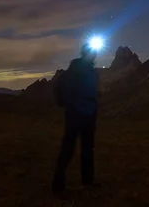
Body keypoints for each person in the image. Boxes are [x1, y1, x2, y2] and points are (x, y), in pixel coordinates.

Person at [52, 43, 100, 194]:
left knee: (87, 149)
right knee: (69, 149)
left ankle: (87, 181)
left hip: (89, 114)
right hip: (75, 114)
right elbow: (62, 88)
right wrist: (70, 104)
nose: (94, 55)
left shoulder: (90, 71)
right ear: (85, 54)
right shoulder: (75, 69)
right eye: (92, 53)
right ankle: (58, 185)